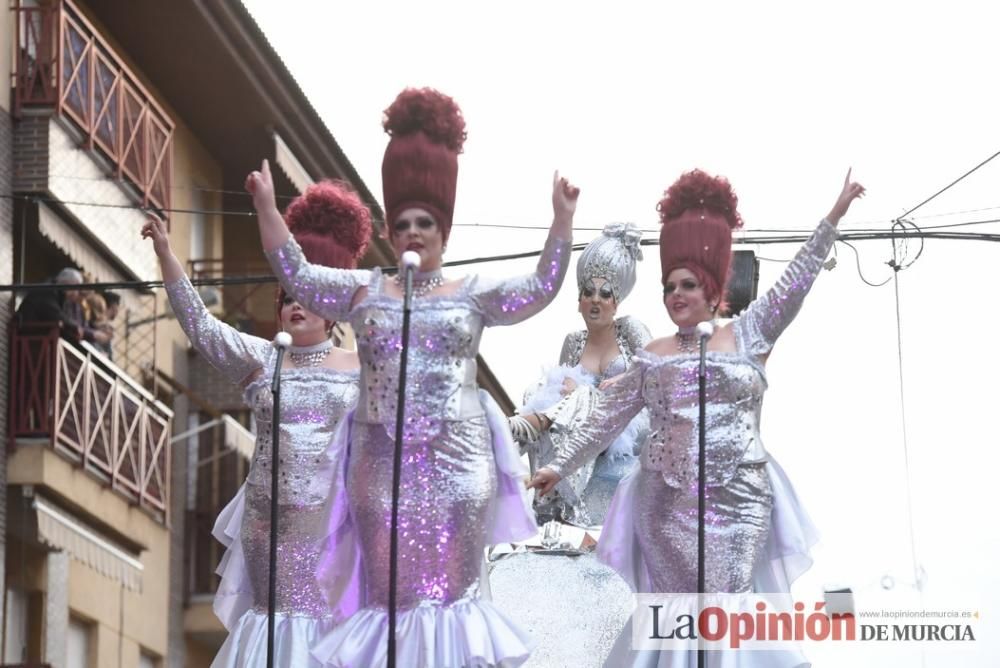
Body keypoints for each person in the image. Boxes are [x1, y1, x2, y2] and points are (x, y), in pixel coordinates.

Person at [249, 87, 579, 667]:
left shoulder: (471, 296)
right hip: (380, 475)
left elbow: (541, 288)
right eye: (402, 223)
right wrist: (267, 211)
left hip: (458, 473)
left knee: (449, 604)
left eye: (425, 221)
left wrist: (561, 221)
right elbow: (296, 273)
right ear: (390, 230)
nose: (413, 232)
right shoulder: (365, 295)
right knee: (390, 608)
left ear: (444, 227)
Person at [529, 168, 865, 667]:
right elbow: (605, 416)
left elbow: (796, 283)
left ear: (712, 286)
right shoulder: (653, 355)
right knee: (676, 614)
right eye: (669, 286)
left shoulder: (749, 335)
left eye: (687, 284)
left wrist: (832, 218)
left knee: (727, 611)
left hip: (740, 501)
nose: (675, 295)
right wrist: (559, 466)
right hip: (666, 508)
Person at [142, 180, 372, 667]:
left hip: (329, 521)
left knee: (316, 618)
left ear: (330, 310)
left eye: (305, 296)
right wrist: (166, 254)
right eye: (286, 295)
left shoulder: (358, 369)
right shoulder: (264, 359)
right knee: (275, 619)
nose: (294, 303)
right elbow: (201, 326)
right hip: (268, 520)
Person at [511, 222, 651, 527]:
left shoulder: (630, 330)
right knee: (538, 389)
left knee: (585, 393)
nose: (596, 299)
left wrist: (624, 383)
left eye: (605, 293)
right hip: (581, 430)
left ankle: (521, 429)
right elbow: (559, 397)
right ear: (579, 301)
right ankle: (538, 478)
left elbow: (656, 374)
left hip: (627, 428)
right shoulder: (573, 342)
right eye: (589, 292)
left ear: (617, 302)